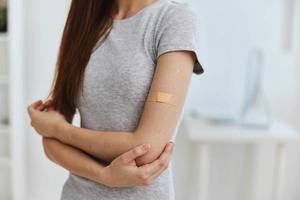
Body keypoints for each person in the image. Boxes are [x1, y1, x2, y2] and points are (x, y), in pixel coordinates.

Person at [27, 0, 204, 199]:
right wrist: (104, 176)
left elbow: (146, 148)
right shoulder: (86, 19)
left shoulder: (174, 20)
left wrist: (61, 130)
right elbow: (50, 142)